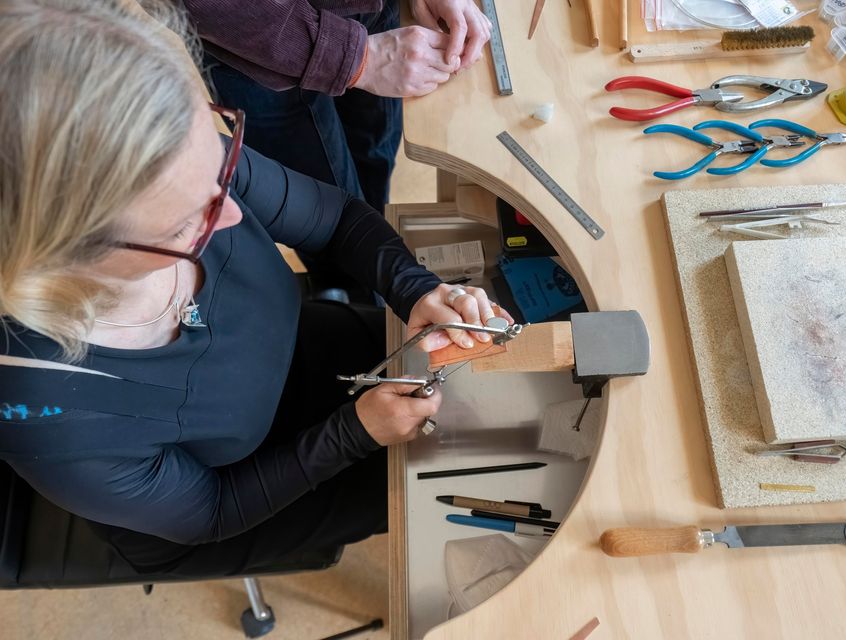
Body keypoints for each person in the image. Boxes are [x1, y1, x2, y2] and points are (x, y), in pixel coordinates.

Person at [0, 0, 504, 576]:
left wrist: (415, 290)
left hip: (284, 352)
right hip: (231, 496)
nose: (235, 217)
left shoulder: (167, 156)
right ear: (69, 256)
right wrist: (354, 431)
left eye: (219, 165)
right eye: (189, 222)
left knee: (481, 418)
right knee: (442, 485)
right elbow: (211, 512)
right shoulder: (49, 409)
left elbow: (336, 219)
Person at [183, 0, 491, 295]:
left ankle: (373, 278)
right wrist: (354, 59)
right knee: (324, 217)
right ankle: (360, 299)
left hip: (377, 16)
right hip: (258, 48)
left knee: (374, 161)